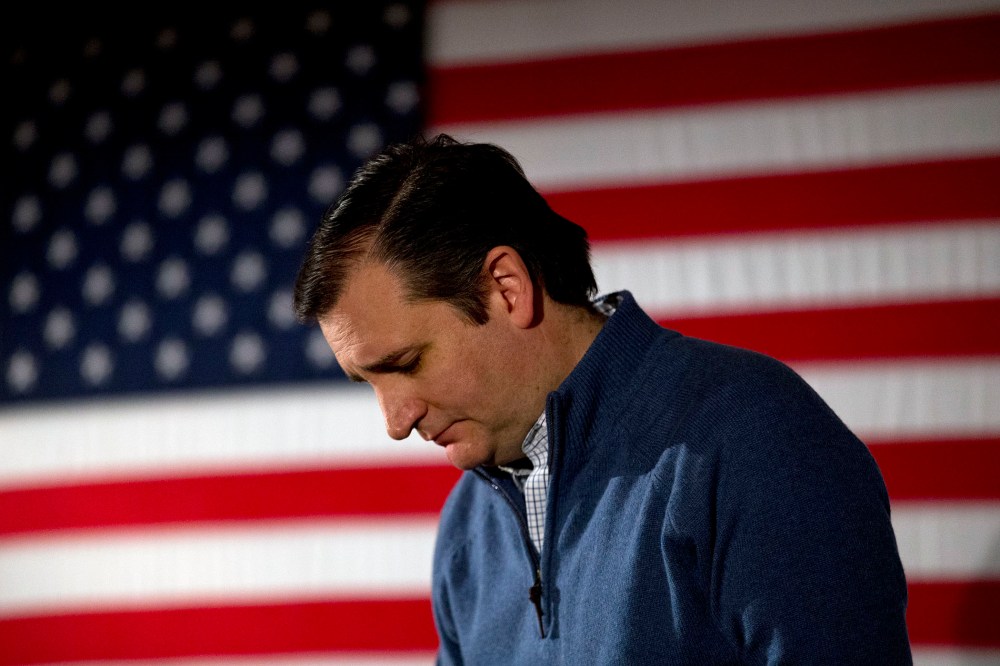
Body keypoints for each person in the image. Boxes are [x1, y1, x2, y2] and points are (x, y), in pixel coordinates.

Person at [293, 133, 912, 664]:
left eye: (406, 363)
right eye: (368, 383)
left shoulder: (758, 440)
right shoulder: (467, 528)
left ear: (506, 288)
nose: (394, 422)